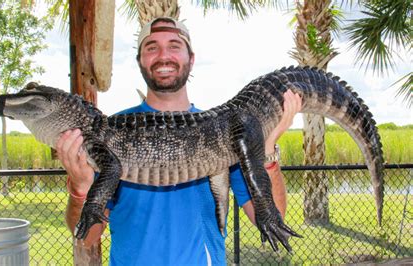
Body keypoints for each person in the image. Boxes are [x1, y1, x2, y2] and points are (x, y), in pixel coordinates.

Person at [57, 17, 302, 266]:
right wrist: (79, 189)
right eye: (151, 47)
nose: (164, 55)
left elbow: (274, 215)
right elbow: (87, 238)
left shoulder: (224, 129)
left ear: (191, 59)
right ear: (140, 60)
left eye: (174, 45)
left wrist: (268, 148)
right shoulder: (110, 131)